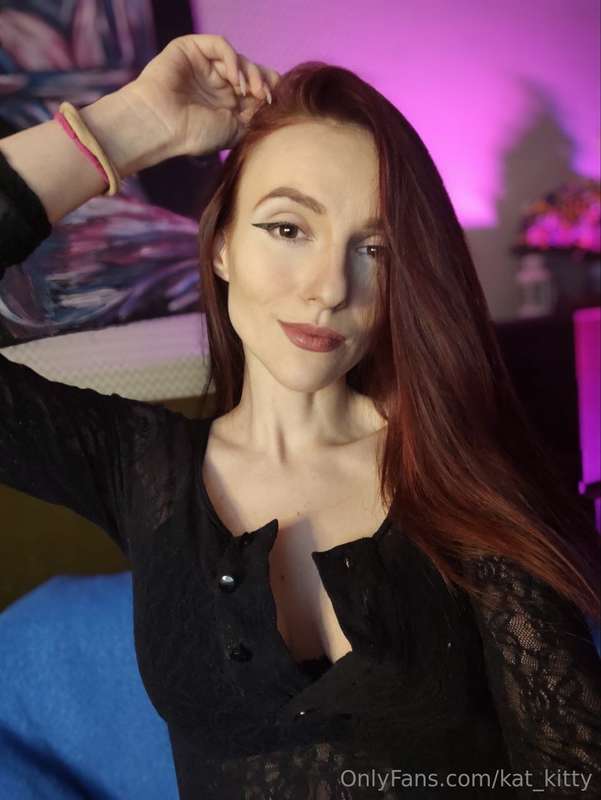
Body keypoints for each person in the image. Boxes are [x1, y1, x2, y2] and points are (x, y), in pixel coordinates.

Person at [1, 32, 600, 800]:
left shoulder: (457, 476)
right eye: (288, 228)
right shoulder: (139, 466)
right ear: (221, 245)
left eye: (374, 249)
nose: (328, 288)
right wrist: (129, 126)